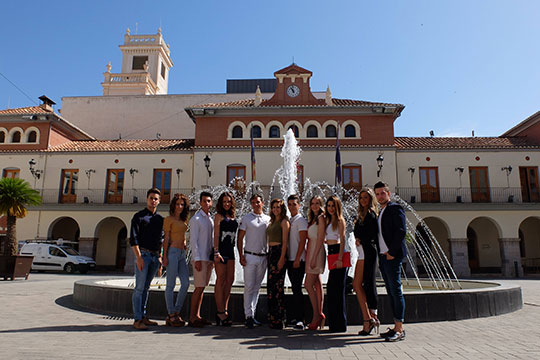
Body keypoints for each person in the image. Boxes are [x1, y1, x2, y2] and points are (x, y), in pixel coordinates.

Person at [374, 181, 407, 342]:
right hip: (384, 256)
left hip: (392, 256)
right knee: (391, 292)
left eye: (382, 193)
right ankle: (396, 326)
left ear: (388, 193)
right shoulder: (381, 212)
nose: (380, 196)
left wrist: (392, 252)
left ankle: (399, 329)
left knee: (396, 291)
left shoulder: (395, 208)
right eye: (377, 194)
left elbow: (401, 231)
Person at [130, 188, 164, 330]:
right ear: (147, 199)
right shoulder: (138, 217)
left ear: (159, 201)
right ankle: (137, 319)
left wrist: (160, 258)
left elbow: (161, 240)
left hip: (155, 257)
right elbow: (133, 238)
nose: (153, 201)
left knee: (146, 288)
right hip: (143, 255)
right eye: (151, 198)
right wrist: (138, 257)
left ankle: (143, 316)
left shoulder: (160, 219)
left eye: (156, 199)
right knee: (139, 288)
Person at [237, 194, 270, 329]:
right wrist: (241, 255)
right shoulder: (246, 218)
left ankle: (253, 314)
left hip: (263, 257)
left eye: (258, 202)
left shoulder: (268, 219)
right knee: (249, 286)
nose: (256, 204)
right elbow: (240, 238)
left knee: (257, 287)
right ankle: (248, 316)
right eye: (253, 202)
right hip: (249, 256)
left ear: (262, 203)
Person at [353, 187, 380, 335]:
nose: (363, 200)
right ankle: (369, 318)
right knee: (357, 285)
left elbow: (372, 234)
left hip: (367, 252)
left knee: (368, 283)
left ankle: (371, 317)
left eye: (366, 197)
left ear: (370, 199)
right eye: (361, 198)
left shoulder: (371, 215)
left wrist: (360, 239)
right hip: (361, 252)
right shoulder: (362, 215)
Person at [163, 193, 190, 327]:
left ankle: (176, 312)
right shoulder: (168, 219)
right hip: (172, 253)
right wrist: (164, 256)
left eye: (182, 204)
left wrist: (184, 242)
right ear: (173, 205)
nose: (179, 206)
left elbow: (182, 234)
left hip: (181, 254)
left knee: (185, 283)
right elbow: (166, 238)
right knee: (170, 285)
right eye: (177, 204)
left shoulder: (184, 220)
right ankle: (171, 314)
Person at [321, 195, 347, 333]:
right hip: (331, 253)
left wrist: (340, 258)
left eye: (333, 206)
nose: (330, 208)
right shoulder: (329, 220)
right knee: (332, 290)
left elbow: (342, 240)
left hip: (338, 254)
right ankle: (334, 324)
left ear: (337, 207)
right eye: (329, 206)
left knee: (337, 290)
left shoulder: (340, 220)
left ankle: (340, 325)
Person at [188, 191, 214, 327]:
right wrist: (196, 259)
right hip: (200, 258)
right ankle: (192, 317)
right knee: (198, 288)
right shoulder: (196, 219)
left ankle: (198, 315)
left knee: (202, 288)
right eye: (204, 201)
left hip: (208, 259)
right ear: (200, 202)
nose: (207, 203)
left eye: (209, 201)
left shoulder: (210, 219)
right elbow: (193, 240)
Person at [213, 191, 238, 326]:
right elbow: (216, 235)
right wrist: (216, 252)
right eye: (224, 202)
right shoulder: (218, 216)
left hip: (231, 251)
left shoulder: (232, 215)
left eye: (229, 201)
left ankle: (225, 309)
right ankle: (219, 311)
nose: (227, 204)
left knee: (230, 280)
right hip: (221, 251)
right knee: (220, 279)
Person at [285, 194, 308, 330]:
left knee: (297, 289)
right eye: (290, 204)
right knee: (294, 289)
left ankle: (301, 319)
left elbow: (302, 241)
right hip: (291, 259)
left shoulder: (301, 221)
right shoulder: (291, 220)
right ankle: (296, 317)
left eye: (294, 204)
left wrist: (298, 258)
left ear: (299, 205)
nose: (292, 206)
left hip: (298, 260)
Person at [266, 198, 290, 329]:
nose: (275, 209)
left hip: (279, 252)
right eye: (273, 207)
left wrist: (282, 258)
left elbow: (285, 241)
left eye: (278, 207)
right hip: (271, 253)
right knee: (271, 286)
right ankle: (272, 318)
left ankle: (280, 319)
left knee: (278, 287)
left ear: (282, 209)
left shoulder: (284, 222)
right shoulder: (272, 221)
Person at [305, 195, 326, 330]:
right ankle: (320, 314)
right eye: (312, 203)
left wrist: (313, 257)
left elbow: (320, 239)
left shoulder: (321, 219)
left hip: (316, 252)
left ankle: (316, 315)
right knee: (317, 284)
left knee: (307, 285)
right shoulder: (313, 219)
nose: (314, 206)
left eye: (317, 203)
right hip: (311, 251)